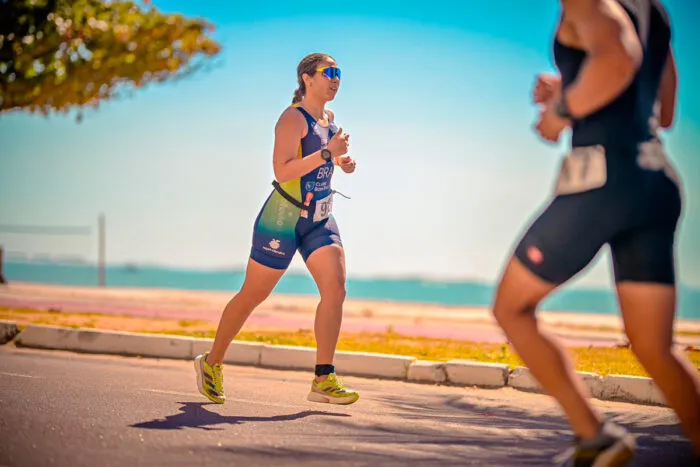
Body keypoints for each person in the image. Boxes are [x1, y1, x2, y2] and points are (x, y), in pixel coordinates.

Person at [491, 0, 700, 465]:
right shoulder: (656, 11)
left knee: (512, 308)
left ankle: (595, 436)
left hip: (603, 181)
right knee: (655, 347)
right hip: (655, 179)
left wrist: (562, 109)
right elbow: (663, 111)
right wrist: (573, 86)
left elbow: (619, 60)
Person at [194, 52, 360, 406]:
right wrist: (327, 154)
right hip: (282, 219)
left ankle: (323, 378)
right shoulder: (292, 118)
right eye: (328, 72)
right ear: (307, 78)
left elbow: (321, 160)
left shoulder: (329, 120)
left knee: (336, 289)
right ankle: (212, 362)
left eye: (338, 72)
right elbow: (283, 171)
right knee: (253, 295)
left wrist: (340, 162)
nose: (335, 78)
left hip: (319, 219)